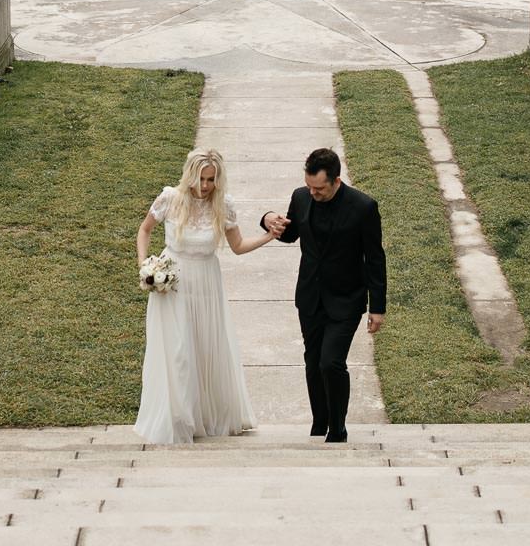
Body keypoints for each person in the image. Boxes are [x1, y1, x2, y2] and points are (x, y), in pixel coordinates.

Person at [134, 149, 283, 444]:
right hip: (172, 285)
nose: (205, 186)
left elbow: (238, 245)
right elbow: (144, 230)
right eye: (200, 178)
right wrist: (145, 266)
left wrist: (269, 237)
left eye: (211, 179)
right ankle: (178, 417)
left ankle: (204, 416)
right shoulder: (169, 198)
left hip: (207, 284)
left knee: (203, 347)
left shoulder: (223, 205)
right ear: (190, 174)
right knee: (178, 353)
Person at [258, 147, 386, 443]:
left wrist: (377, 307)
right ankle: (320, 423)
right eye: (309, 186)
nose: (313, 193)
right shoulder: (301, 197)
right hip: (310, 296)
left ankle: (338, 428)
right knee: (313, 362)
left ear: (336, 181)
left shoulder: (363, 207)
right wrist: (266, 218)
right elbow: (290, 233)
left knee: (331, 362)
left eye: (319, 189)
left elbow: (375, 259)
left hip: (347, 299)